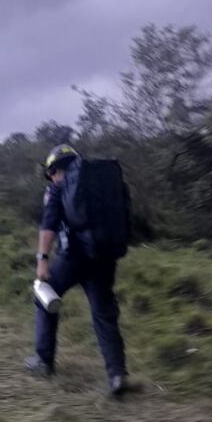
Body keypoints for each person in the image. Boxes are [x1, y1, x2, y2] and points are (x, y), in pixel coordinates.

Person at [25, 144, 129, 396]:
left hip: (73, 257)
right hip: (105, 256)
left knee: (44, 296)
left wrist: (42, 259)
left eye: (51, 173)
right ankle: (117, 374)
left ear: (53, 170)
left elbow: (48, 225)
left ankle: (43, 361)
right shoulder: (100, 185)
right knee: (104, 313)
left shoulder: (58, 188)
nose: (51, 178)